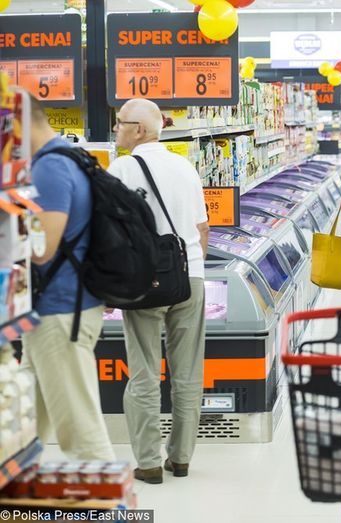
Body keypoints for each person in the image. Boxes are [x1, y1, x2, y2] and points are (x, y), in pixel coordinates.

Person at [108, 98, 209, 484]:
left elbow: (111, 232)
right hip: (189, 277)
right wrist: (193, 264)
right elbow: (202, 229)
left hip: (143, 280)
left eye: (120, 123)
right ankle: (181, 458)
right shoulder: (185, 166)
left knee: (144, 373)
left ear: (139, 129)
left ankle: (148, 463)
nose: (116, 128)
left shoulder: (121, 168)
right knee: (187, 373)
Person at [22, 95, 115, 461]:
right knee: (23, 425)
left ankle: (109, 511)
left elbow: (43, 248)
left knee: (81, 432)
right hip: (58, 308)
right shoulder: (68, 156)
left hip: (62, 313)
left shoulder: (49, 167)